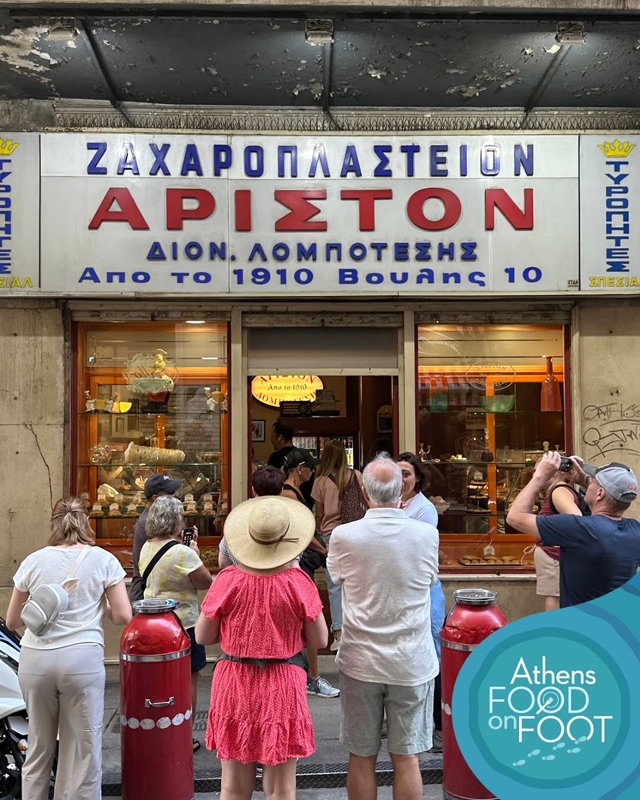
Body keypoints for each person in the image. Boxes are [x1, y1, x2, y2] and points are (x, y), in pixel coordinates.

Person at [195, 496, 329, 800]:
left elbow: (203, 635)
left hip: (234, 678)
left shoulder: (228, 579)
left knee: (232, 788)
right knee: (281, 790)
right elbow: (320, 640)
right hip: (284, 680)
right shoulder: (298, 581)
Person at [327, 455, 439, 800]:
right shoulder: (426, 534)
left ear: (363, 489)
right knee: (407, 757)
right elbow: (429, 579)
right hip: (411, 660)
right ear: (402, 488)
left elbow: (335, 578)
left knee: (362, 756)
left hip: (361, 660)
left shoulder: (344, 536)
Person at [6, 497, 131, 800]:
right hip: (81, 661)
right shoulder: (103, 560)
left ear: (54, 523)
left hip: (35, 661)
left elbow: (12, 620)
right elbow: (123, 615)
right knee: (83, 747)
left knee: (38, 744)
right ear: (86, 522)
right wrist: (100, 605)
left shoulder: (34, 560)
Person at [506, 453, 640, 607]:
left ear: (600, 493)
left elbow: (515, 517)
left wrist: (539, 477)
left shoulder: (579, 529)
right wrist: (585, 482)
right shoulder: (636, 531)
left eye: (593, 482)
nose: (589, 483)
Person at [139, 494, 213, 752]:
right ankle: (183, 735)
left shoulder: (147, 548)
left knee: (162, 680)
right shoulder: (183, 553)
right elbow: (205, 583)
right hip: (183, 624)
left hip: (155, 624)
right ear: (176, 521)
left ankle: (162, 728)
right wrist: (195, 553)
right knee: (188, 680)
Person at [394, 451, 445, 752]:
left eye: (407, 474)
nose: (402, 480)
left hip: (423, 593)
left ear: (418, 479)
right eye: (397, 473)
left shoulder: (424, 511)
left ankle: (438, 726)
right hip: (401, 591)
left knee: (433, 657)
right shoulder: (391, 505)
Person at [281, 449, 338, 699]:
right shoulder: (289, 495)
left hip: (300, 561)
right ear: (300, 468)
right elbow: (303, 533)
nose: (313, 472)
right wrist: (324, 548)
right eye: (310, 468)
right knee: (309, 617)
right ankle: (312, 678)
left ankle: (307, 674)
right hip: (299, 563)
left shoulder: (291, 492)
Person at [312, 439, 366, 651]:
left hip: (331, 536)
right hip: (356, 533)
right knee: (356, 582)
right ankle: (358, 629)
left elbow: (321, 514)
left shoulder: (320, 482)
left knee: (334, 584)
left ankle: (339, 633)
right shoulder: (357, 476)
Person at [533, 462, 584, 611]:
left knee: (554, 597)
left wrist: (557, 541)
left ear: (554, 471)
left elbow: (576, 520)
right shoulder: (558, 489)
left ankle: (554, 632)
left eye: (538, 470)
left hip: (553, 555)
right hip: (554, 555)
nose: (535, 474)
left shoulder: (558, 491)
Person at [218, 465, 285, 569]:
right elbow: (294, 563)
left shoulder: (237, 519)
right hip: (280, 581)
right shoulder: (290, 520)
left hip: (243, 580)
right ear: (281, 490)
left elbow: (223, 562)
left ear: (253, 490)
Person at [130, 472, 183, 599]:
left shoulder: (157, 518)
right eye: (170, 492)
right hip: (147, 594)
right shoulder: (148, 522)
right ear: (155, 498)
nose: (176, 494)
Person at [267, 420, 315, 507]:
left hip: (283, 505)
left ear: (280, 437)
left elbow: (270, 485)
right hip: (306, 502)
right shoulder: (301, 454)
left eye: (272, 436)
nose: (271, 440)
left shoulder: (275, 457)